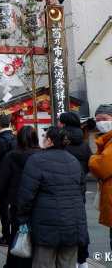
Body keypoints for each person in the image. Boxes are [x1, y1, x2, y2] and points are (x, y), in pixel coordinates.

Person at [18, 126, 88, 267]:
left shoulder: (36, 160)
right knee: (67, 263)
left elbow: (26, 195)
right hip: (73, 222)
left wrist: (23, 218)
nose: (42, 139)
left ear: (49, 141)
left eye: (44, 136)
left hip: (46, 222)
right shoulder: (74, 161)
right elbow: (81, 193)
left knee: (44, 263)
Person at [0, 125, 41, 268]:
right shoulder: (41, 155)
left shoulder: (11, 155)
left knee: (17, 233)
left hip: (17, 201)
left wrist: (4, 197)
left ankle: (13, 263)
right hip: (37, 201)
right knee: (36, 235)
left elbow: (3, 179)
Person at [58, 111, 92, 267]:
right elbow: (90, 165)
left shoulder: (60, 143)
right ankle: (82, 259)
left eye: (59, 122)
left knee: (62, 224)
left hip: (60, 190)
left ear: (63, 124)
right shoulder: (84, 145)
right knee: (80, 224)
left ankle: (65, 258)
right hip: (80, 189)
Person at [88, 104, 112, 252]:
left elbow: (100, 167)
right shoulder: (106, 140)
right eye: (98, 120)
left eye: (105, 119)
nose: (101, 123)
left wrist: (92, 159)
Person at [0, 114, 17, 247]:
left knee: (3, 207)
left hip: (3, 177)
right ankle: (14, 235)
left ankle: (6, 236)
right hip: (15, 177)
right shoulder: (15, 138)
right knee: (13, 207)